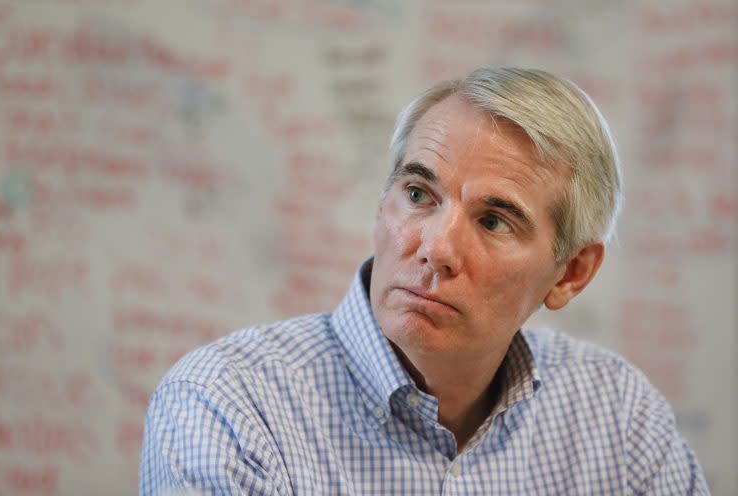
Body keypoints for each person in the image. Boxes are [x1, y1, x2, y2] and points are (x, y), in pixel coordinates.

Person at [140, 67, 709, 495]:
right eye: (418, 195)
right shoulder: (228, 406)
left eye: (493, 221)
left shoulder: (618, 415)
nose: (435, 248)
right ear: (383, 200)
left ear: (571, 274)